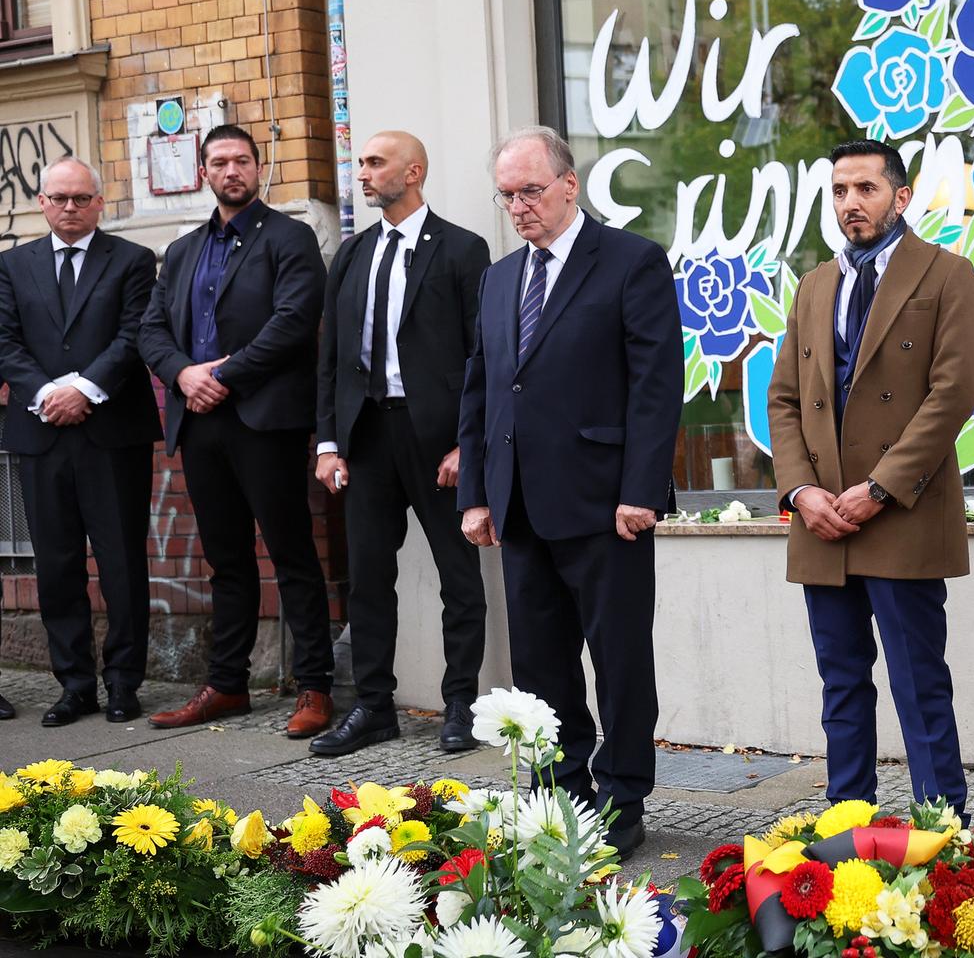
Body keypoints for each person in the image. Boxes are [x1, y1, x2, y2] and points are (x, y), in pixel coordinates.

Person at [457, 126, 680, 856]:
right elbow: (484, 390)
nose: (518, 206)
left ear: (568, 185)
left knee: (619, 662)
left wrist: (641, 489)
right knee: (541, 668)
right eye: (507, 195)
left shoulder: (630, 262)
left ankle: (623, 795)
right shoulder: (497, 278)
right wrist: (478, 495)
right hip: (520, 506)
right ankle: (562, 795)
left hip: (606, 505)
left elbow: (655, 386)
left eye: (530, 191)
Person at [768, 139, 974, 816]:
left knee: (920, 686)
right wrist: (803, 493)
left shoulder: (947, 274)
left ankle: (945, 838)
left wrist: (880, 489)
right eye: (838, 191)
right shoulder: (813, 285)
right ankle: (846, 828)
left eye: (864, 188)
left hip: (903, 515)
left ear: (900, 196)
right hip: (823, 523)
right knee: (841, 687)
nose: (850, 204)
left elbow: (950, 396)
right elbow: (784, 401)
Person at [139, 124, 335, 739]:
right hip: (200, 426)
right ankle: (227, 685)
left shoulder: (290, 237)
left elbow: (294, 322)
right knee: (225, 561)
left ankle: (314, 688)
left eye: (242, 161)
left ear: (257, 168)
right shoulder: (184, 249)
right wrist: (183, 375)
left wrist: (221, 374)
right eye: (219, 162)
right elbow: (151, 330)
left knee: (293, 556)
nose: (231, 171)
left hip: (264, 421)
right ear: (203, 172)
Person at [309, 131, 491, 756]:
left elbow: (482, 355)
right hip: (366, 437)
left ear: (413, 171)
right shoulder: (352, 254)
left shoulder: (464, 250)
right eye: (360, 162)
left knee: (458, 576)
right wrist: (328, 444)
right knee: (367, 577)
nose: (362, 173)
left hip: (436, 440)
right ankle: (373, 705)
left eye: (374, 162)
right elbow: (330, 357)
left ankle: (461, 703)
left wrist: (470, 444)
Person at [0, 157, 160, 726]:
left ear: (99, 202)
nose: (70, 207)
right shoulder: (12, 266)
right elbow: (5, 340)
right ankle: (73, 685)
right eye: (59, 198)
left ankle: (122, 683)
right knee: (57, 565)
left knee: (120, 562)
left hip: (112, 433)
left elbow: (134, 333)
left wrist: (85, 391)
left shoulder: (134, 261)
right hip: (41, 432)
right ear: (40, 202)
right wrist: (47, 394)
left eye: (81, 198)